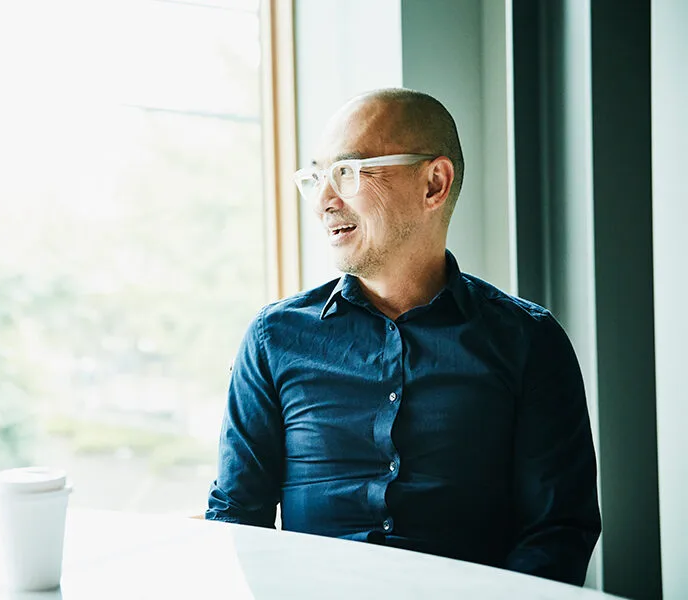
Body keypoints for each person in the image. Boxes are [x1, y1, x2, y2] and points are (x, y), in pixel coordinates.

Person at [206, 88, 601, 586]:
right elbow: (237, 512)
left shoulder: (529, 342)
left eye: (347, 173)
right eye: (316, 178)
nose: (325, 201)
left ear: (434, 183)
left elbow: (557, 531)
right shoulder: (273, 339)